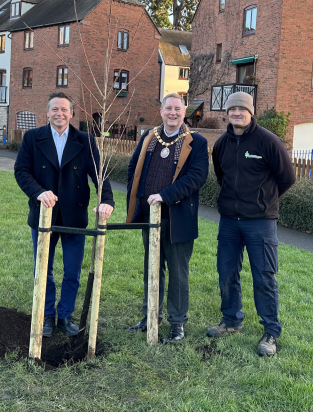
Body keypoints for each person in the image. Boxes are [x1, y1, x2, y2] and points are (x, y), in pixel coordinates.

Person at [15, 92, 114, 337]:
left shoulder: (86, 140)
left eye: (64, 110)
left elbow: (99, 175)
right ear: (47, 112)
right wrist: (38, 192)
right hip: (43, 215)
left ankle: (65, 315)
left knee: (72, 270)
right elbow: (21, 171)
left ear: (71, 113)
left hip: (74, 215)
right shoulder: (32, 138)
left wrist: (107, 200)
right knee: (44, 269)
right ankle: (47, 315)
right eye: (55, 109)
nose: (59, 114)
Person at [207, 92, 295, 356]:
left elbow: (287, 177)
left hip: (260, 223)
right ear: (227, 113)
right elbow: (220, 175)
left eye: (242, 109)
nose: (237, 113)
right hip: (229, 223)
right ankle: (231, 320)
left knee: (264, 276)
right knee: (226, 273)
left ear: (251, 112)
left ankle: (271, 331)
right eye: (232, 109)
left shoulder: (268, 141)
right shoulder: (222, 144)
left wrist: (263, 201)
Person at [127, 93, 209, 342]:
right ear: (161, 111)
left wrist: (164, 195)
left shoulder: (197, 142)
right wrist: (139, 196)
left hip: (178, 219)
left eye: (178, 109)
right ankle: (150, 316)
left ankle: (177, 323)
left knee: (178, 273)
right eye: (168, 108)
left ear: (185, 112)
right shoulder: (149, 137)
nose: (173, 113)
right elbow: (133, 168)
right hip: (150, 218)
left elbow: (197, 177)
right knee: (151, 270)